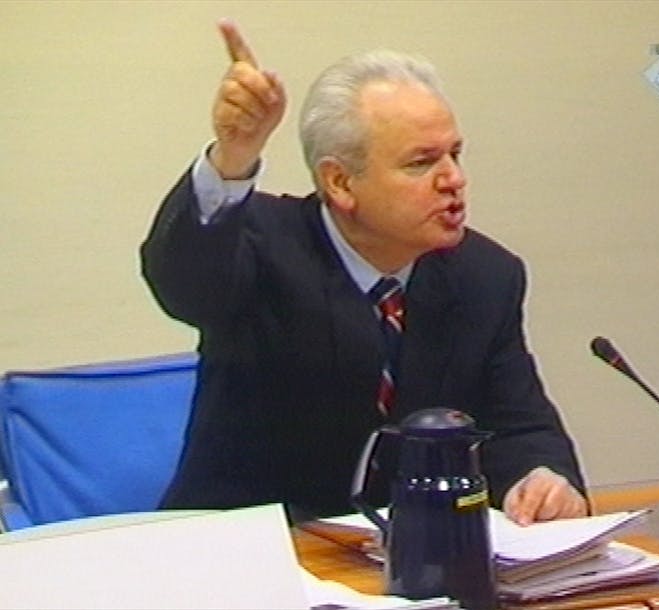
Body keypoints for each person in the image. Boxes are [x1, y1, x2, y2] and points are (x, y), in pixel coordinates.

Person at [141, 19, 588, 525]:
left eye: (455, 155)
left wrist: (543, 478)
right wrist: (233, 157)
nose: (454, 180)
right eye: (422, 163)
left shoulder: (485, 277)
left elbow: (520, 425)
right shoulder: (260, 245)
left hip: (411, 564)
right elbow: (184, 285)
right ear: (340, 183)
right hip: (252, 555)